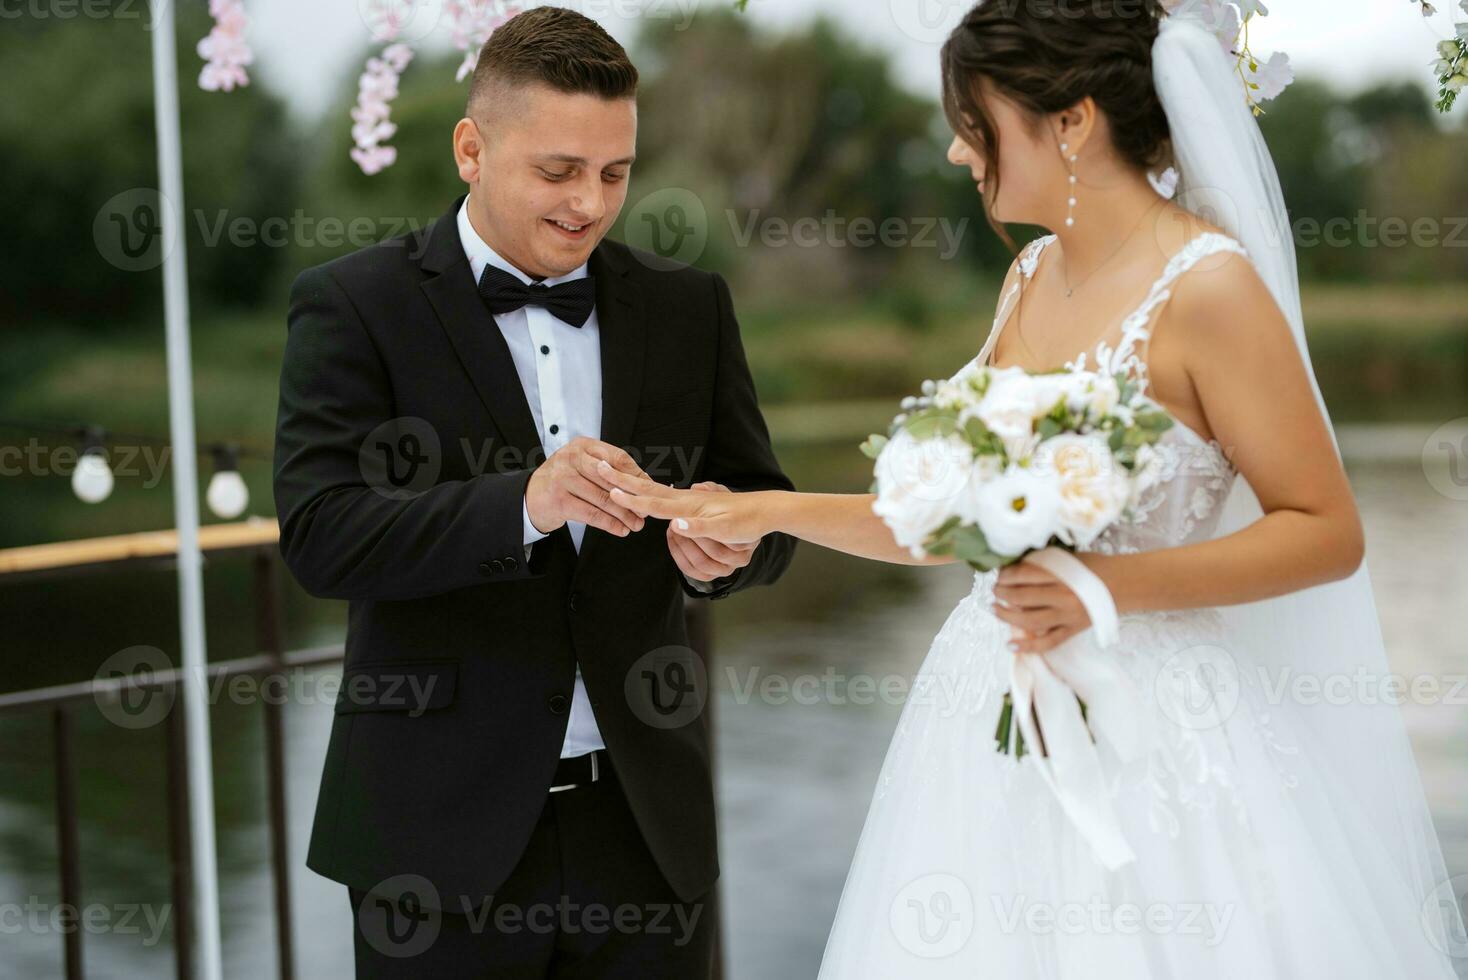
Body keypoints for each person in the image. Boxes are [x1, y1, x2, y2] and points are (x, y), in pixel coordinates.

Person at [598, 1, 1465, 975]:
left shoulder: (1208, 288)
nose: (960, 154)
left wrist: (1102, 585)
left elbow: (1325, 530)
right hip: (985, 726)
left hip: (1157, 740)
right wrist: (755, 511)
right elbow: (947, 522)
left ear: (1070, 121)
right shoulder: (1028, 279)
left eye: (976, 124)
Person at [272, 7, 796, 975]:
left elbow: (768, 511)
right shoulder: (354, 305)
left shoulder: (690, 307)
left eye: (614, 172)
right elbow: (321, 533)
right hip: (431, 847)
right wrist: (525, 501)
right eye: (557, 171)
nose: (589, 203)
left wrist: (732, 549)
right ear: (471, 148)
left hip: (642, 835)